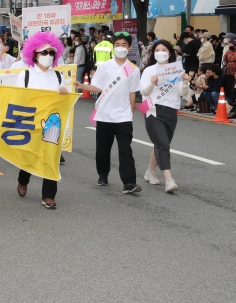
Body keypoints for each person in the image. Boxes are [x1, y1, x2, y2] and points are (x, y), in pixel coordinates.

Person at [76, 31, 143, 194]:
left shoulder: (133, 69)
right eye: (117, 45)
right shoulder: (105, 66)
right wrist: (82, 86)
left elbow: (132, 92)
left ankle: (129, 182)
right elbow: (97, 87)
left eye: (124, 45)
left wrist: (130, 112)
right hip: (104, 115)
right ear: (113, 47)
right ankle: (103, 173)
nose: (120, 48)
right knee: (102, 150)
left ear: (129, 48)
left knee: (125, 150)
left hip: (123, 117)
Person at [13, 31, 70, 210]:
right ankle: (23, 180)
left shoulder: (59, 76)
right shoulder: (25, 75)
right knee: (30, 156)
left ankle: (48, 195)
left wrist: (64, 93)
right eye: (44, 52)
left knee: (51, 158)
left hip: (52, 124)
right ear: (35, 54)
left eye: (51, 52)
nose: (48, 55)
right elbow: (17, 99)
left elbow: (65, 100)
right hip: (30, 122)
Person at [140, 39, 190, 193]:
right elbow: (143, 92)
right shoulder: (149, 70)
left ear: (170, 52)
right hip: (152, 109)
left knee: (161, 143)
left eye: (164, 50)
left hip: (171, 110)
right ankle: (169, 180)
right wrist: (152, 83)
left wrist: (185, 82)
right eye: (157, 50)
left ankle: (150, 172)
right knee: (163, 145)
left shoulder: (177, 69)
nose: (160, 53)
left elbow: (183, 93)